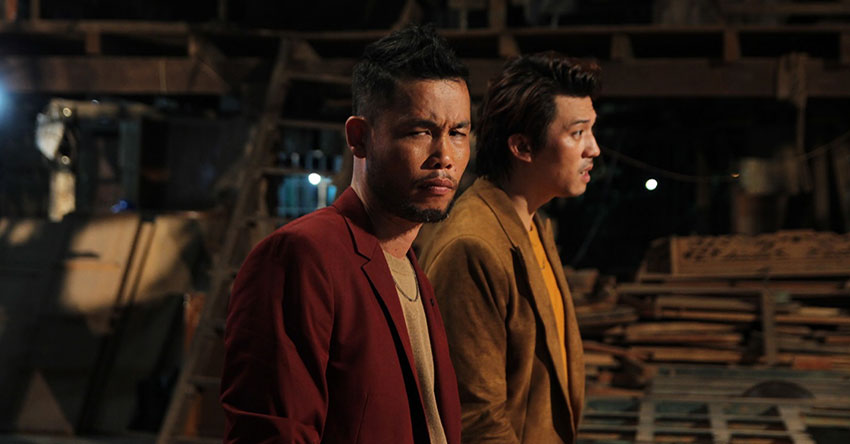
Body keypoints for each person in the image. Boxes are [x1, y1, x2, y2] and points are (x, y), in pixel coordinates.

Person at [220, 24, 471, 444]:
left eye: (458, 133)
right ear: (359, 138)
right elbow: (273, 433)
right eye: (419, 132)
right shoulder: (303, 256)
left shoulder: (411, 270)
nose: (444, 156)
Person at [419, 52, 601, 444]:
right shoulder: (473, 247)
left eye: (591, 131)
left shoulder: (532, 224)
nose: (593, 149)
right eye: (577, 133)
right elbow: (476, 420)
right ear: (522, 146)